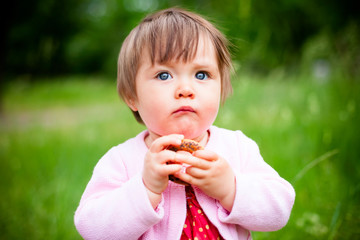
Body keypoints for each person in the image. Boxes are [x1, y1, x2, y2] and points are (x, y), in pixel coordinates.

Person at [74, 7, 295, 240]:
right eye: (164, 75)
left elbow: (279, 211)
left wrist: (231, 189)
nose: (186, 90)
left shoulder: (238, 148)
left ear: (221, 88)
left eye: (201, 75)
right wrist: (145, 189)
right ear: (132, 96)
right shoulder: (122, 161)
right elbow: (91, 229)